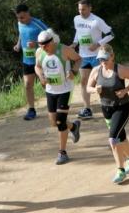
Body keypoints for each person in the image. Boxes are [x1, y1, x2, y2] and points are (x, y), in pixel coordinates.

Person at [86, 44, 129, 183]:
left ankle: (120, 170)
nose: (103, 62)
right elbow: (88, 87)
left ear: (112, 56)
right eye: (100, 59)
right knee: (120, 136)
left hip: (122, 107)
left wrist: (125, 90)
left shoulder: (120, 70)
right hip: (106, 108)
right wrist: (94, 90)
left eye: (105, 59)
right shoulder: (96, 70)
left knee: (113, 138)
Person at [34, 29, 82, 165]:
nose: (43, 47)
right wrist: (41, 76)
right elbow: (37, 67)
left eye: (45, 44)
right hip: (50, 90)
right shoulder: (39, 52)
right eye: (40, 45)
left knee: (60, 121)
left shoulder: (64, 50)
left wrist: (74, 71)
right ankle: (73, 127)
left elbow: (79, 59)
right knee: (53, 121)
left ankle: (62, 152)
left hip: (65, 89)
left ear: (52, 41)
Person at [71, 0, 114, 120]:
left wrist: (98, 44)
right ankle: (87, 109)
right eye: (79, 9)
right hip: (83, 56)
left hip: (97, 56)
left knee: (100, 81)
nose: (81, 12)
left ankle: (108, 105)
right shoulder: (76, 19)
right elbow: (78, 32)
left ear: (90, 8)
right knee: (84, 81)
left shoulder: (97, 20)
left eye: (84, 9)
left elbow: (111, 34)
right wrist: (74, 43)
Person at [13, 4, 49, 120]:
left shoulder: (37, 24)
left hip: (41, 59)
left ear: (28, 13)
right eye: (18, 18)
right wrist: (18, 44)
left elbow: (52, 39)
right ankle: (31, 109)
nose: (20, 20)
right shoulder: (20, 23)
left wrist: (37, 44)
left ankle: (53, 106)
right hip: (27, 60)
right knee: (28, 85)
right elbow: (21, 34)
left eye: (22, 17)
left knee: (45, 83)